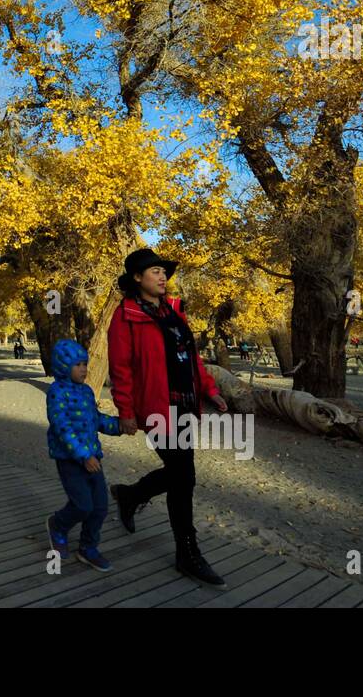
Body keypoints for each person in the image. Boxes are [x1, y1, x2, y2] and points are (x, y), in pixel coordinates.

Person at [107, 247, 229, 587]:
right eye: (155, 271)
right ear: (136, 278)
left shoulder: (175, 313)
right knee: (183, 477)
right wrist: (126, 411)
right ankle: (187, 554)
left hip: (185, 406)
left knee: (181, 475)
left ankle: (130, 495)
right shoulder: (126, 315)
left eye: (164, 272)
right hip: (156, 409)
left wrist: (209, 389)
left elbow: (191, 358)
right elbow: (120, 368)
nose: (163, 277)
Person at [45, 339, 121, 573]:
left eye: (85, 364)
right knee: (82, 505)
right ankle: (57, 525)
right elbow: (62, 427)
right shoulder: (57, 392)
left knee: (99, 507)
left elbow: (95, 419)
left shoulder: (87, 391)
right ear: (62, 366)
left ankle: (88, 547)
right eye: (77, 364)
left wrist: (120, 426)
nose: (83, 369)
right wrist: (83, 455)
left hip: (92, 458)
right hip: (71, 460)